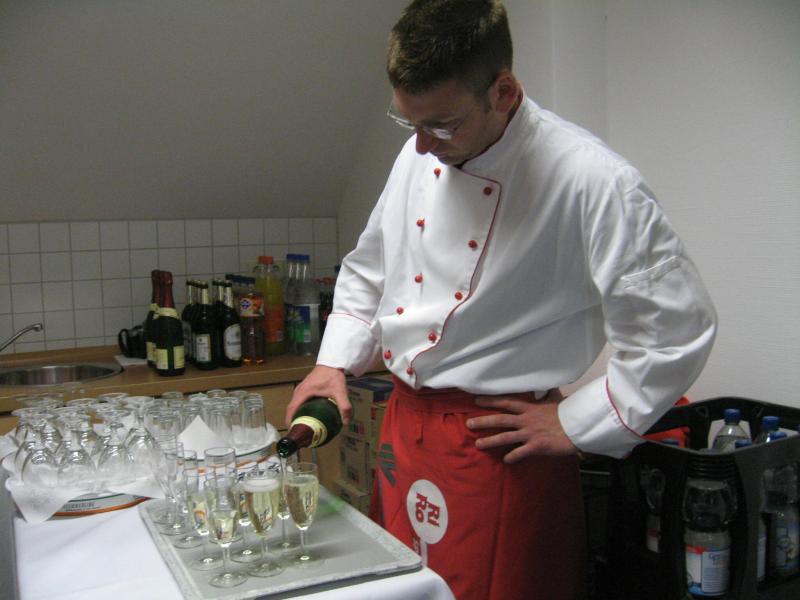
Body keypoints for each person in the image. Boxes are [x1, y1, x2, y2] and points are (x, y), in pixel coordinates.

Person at [287, 1, 717, 598]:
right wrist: (332, 363)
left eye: (442, 126)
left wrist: (577, 421)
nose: (421, 147)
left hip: (498, 446)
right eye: (407, 122)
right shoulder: (421, 152)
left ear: (504, 91)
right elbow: (369, 269)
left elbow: (676, 332)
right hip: (406, 430)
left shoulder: (593, 180)